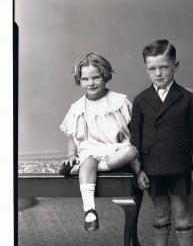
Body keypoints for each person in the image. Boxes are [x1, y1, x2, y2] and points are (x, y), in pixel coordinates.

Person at [131, 40, 193, 246]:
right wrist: (138, 168)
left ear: (176, 65)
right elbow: (136, 138)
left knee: (181, 213)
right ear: (146, 68)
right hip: (152, 167)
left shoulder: (187, 99)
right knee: (160, 213)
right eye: (152, 69)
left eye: (163, 67)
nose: (158, 73)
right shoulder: (141, 100)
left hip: (180, 165)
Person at [59, 53, 141, 231]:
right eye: (85, 79)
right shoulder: (78, 108)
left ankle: (93, 167)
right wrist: (72, 155)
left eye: (96, 77)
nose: (91, 83)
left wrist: (138, 164)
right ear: (79, 80)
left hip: (116, 151)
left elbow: (134, 130)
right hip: (91, 152)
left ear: (105, 75)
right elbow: (72, 136)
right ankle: (89, 210)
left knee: (130, 151)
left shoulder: (119, 102)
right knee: (88, 160)